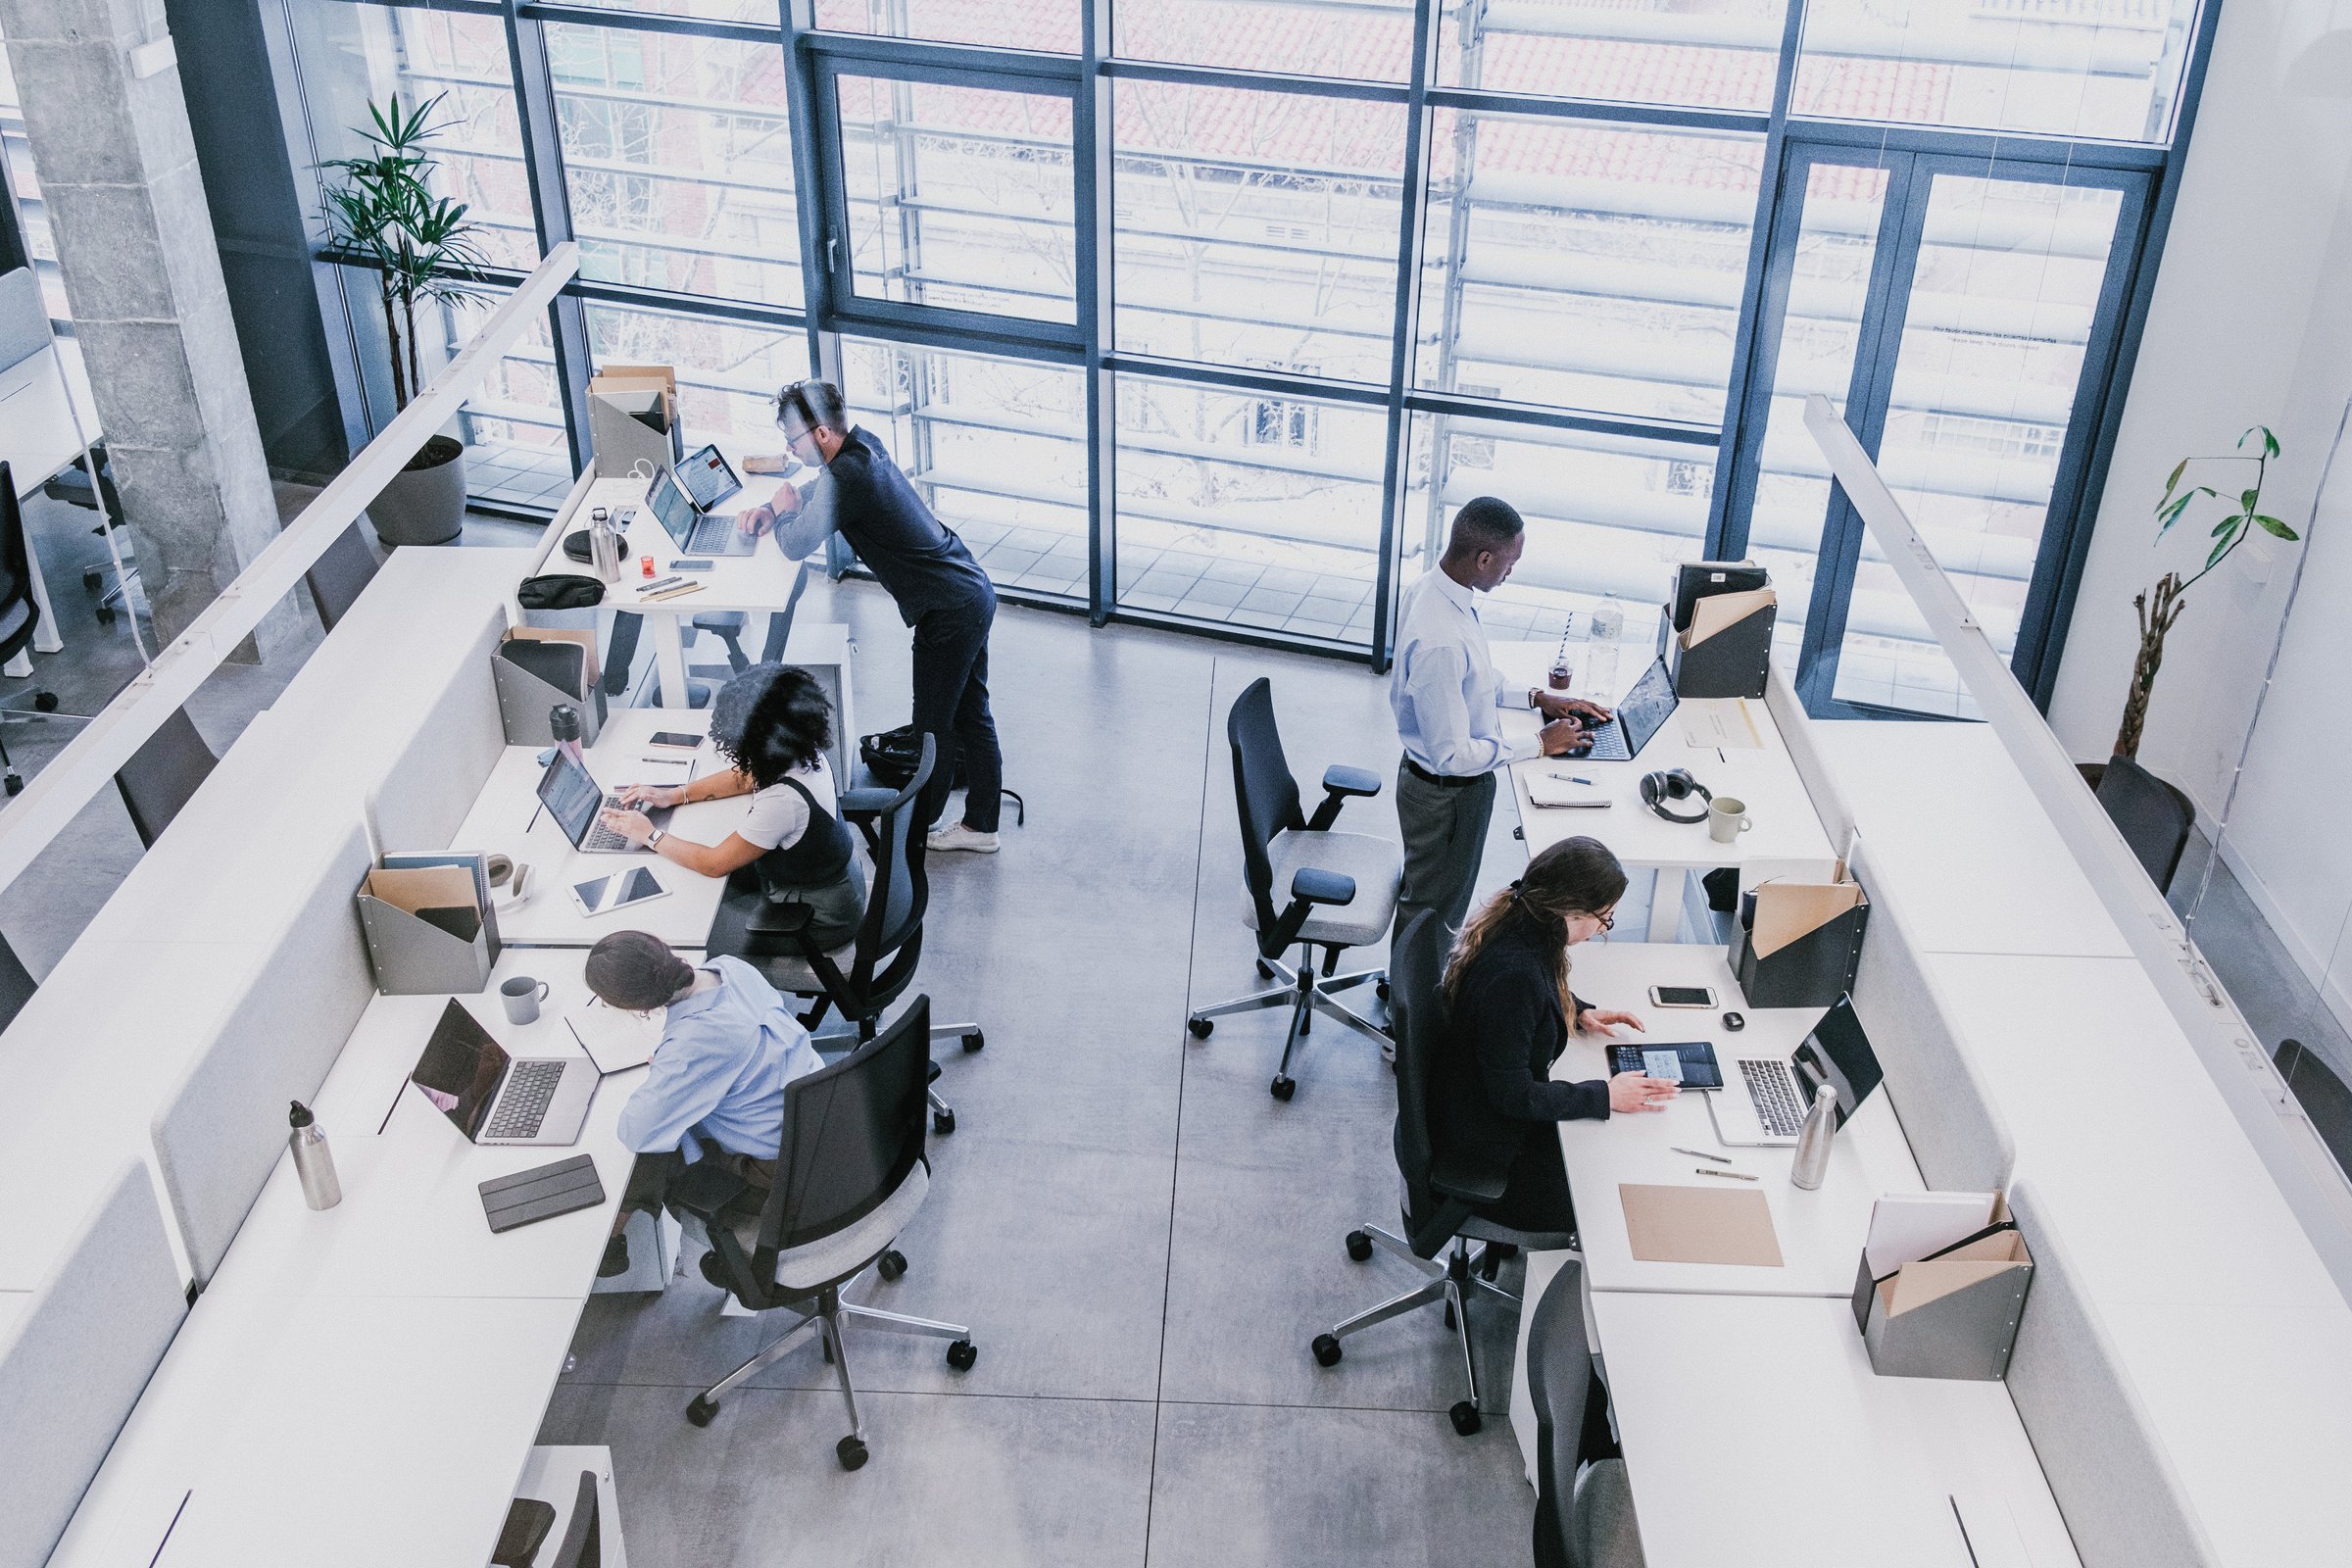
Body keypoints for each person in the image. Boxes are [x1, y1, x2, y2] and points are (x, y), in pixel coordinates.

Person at [737, 379, 1003, 854]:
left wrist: (777, 511)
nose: (789, 449)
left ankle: (918, 829)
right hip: (969, 589)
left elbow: (796, 541)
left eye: (793, 440)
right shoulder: (862, 446)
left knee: (934, 727)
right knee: (970, 714)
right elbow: (815, 488)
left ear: (820, 435)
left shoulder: (847, 478)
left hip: (948, 610)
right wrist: (771, 505)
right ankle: (981, 824)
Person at [1390, 497, 1613, 947]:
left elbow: (1475, 681)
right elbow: (1453, 756)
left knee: (1437, 903)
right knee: (1433, 910)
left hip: (1444, 789)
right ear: (1484, 558)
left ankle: (1414, 992)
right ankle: (1412, 1012)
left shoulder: (1438, 592)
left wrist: (1537, 697)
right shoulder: (1440, 640)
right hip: (1446, 796)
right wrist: (1540, 743)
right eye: (1509, 563)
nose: (1511, 572)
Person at [1431, 837, 1678, 1234]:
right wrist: (1605, 1094)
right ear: (1574, 910)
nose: (1602, 930)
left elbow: (1529, 995)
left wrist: (1576, 1010)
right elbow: (1514, 1095)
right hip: (1490, 1151)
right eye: (1605, 918)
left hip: (1471, 1107)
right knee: (1614, 1203)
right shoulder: (1515, 978)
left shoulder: (1521, 917)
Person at [589, 930, 824, 1276]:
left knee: (645, 1149)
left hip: (782, 1168)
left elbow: (635, 1132)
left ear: (639, 1006)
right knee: (672, 1118)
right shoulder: (731, 969)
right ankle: (613, 1236)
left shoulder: (693, 1044)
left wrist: (672, 1071)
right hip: (824, 1115)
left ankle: (609, 1236)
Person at [598, 663, 870, 949]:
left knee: (698, 935)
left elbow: (714, 864)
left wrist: (650, 835)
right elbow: (744, 779)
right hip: (830, 884)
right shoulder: (799, 749)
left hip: (818, 919)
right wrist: (673, 795)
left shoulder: (784, 800)